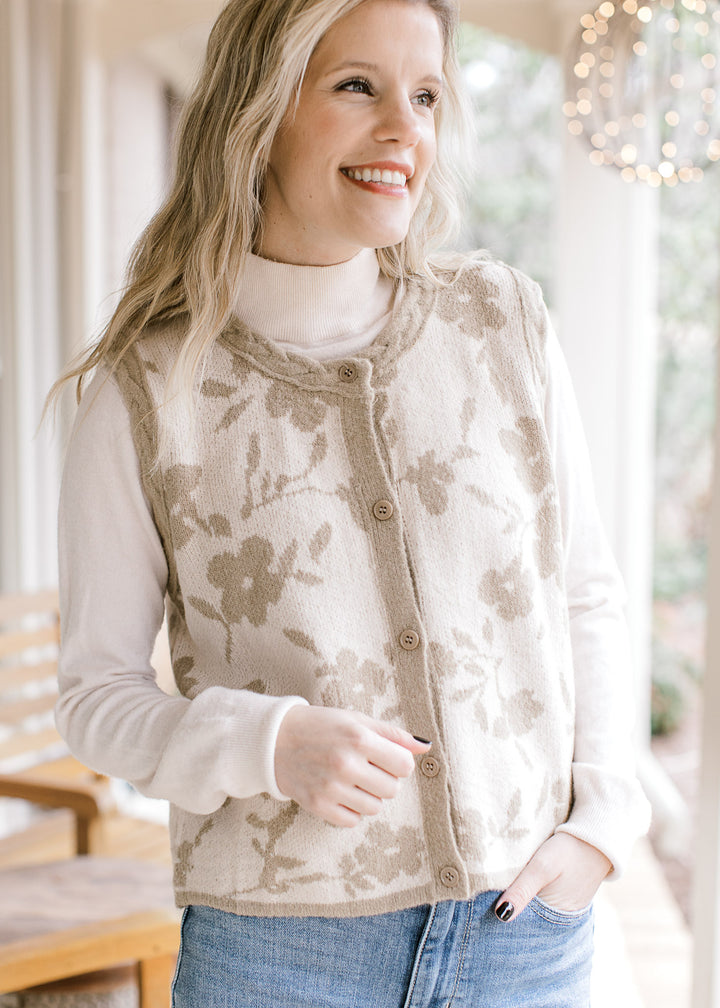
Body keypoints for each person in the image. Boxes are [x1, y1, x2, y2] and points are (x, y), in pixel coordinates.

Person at [52, 0, 651, 1004]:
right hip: (280, 958)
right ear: (261, 110)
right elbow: (96, 696)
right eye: (357, 86)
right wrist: (265, 741)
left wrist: (604, 824)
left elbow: (582, 592)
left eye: (424, 95)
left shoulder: (500, 321)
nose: (405, 129)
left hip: (524, 933)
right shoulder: (149, 390)